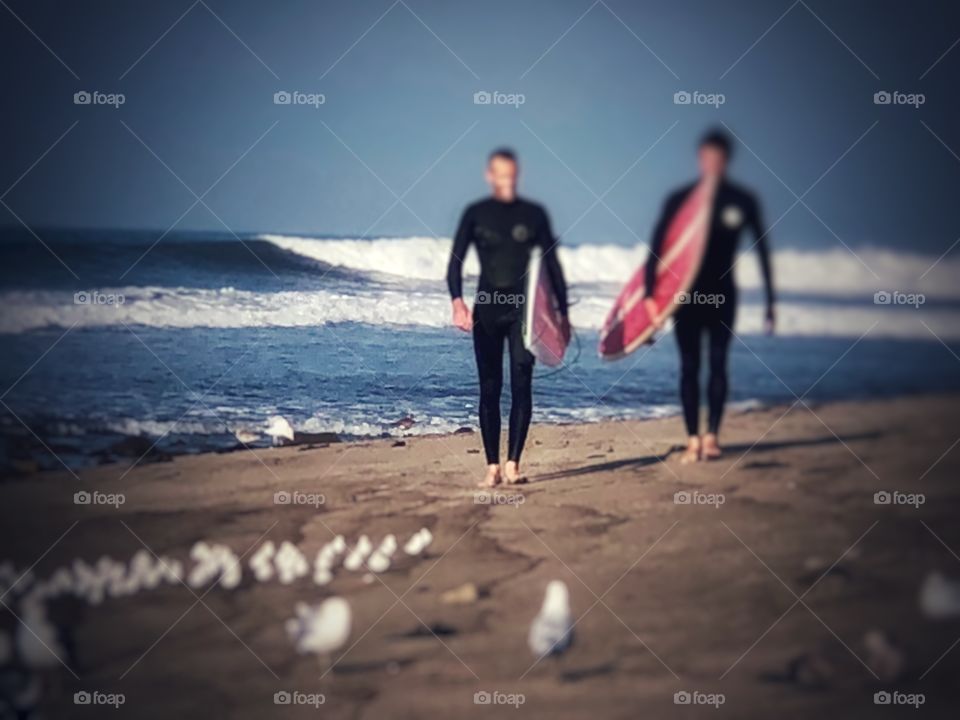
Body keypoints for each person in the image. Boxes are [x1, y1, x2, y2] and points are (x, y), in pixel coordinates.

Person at [643, 129, 775, 463]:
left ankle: (712, 436)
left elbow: (762, 250)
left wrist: (771, 302)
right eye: (708, 157)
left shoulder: (741, 200)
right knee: (689, 366)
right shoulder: (681, 199)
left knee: (718, 364)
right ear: (700, 158)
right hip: (684, 296)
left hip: (723, 295)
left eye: (718, 158)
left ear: (726, 160)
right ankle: (691, 438)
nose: (712, 163)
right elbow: (658, 249)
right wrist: (648, 297)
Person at [447, 148, 570, 487]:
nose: (507, 180)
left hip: (522, 311)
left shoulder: (533, 214)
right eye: (500, 174)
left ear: (517, 174)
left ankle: (513, 463)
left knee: (521, 384)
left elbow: (553, 265)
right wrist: (457, 303)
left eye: (512, 174)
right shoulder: (476, 213)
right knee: (489, 388)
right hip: (487, 308)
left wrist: (562, 313)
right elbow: (455, 262)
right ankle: (491, 466)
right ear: (490, 175)